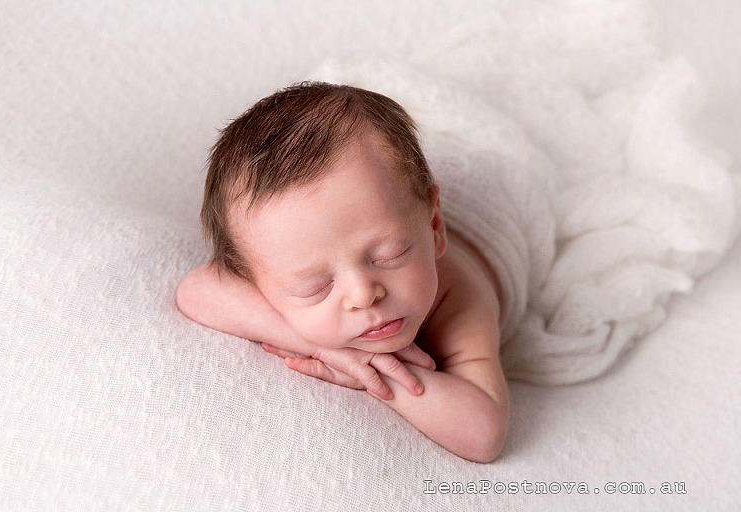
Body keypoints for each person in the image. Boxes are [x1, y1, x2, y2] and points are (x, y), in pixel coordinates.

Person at [176, 82, 509, 463]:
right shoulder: (284, 256)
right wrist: (326, 350)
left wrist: (379, 377)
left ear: (435, 229)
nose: (363, 294)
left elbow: (484, 434)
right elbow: (195, 289)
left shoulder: (459, 296)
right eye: (315, 286)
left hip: (495, 224)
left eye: (390, 254)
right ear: (258, 286)